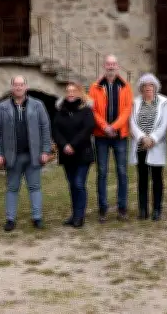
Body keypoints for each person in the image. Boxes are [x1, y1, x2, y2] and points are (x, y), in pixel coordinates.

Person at [0, 75, 52, 232]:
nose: (18, 87)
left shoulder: (37, 105)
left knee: (35, 187)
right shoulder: (1, 107)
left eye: (21, 84)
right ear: (12, 87)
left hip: (33, 155)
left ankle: (37, 217)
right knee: (12, 188)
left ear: (26, 86)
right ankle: (10, 219)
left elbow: (45, 128)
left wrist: (46, 150)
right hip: (12, 156)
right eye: (16, 85)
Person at [89, 54, 134, 222]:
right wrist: (104, 127)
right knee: (102, 172)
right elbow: (93, 110)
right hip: (101, 136)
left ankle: (122, 208)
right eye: (108, 64)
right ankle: (103, 208)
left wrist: (113, 127)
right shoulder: (95, 87)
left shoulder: (126, 87)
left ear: (118, 66)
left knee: (122, 171)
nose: (111, 66)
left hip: (119, 136)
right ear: (104, 66)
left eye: (113, 64)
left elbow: (127, 110)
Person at [52, 82, 96, 228]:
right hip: (67, 154)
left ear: (79, 93)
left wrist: (73, 144)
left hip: (82, 153)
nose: (70, 93)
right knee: (72, 185)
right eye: (68, 91)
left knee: (78, 183)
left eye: (73, 91)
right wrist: (64, 145)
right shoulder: (61, 111)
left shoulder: (86, 110)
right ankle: (74, 214)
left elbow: (88, 128)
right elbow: (56, 130)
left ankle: (79, 216)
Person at [129, 74, 167, 221]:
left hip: (156, 145)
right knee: (142, 178)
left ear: (155, 87)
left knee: (157, 178)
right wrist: (142, 137)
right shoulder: (135, 102)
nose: (148, 88)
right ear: (141, 88)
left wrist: (152, 138)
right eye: (145, 86)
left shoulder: (163, 102)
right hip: (140, 146)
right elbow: (132, 122)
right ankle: (143, 209)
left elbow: (164, 123)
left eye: (151, 85)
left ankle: (157, 209)